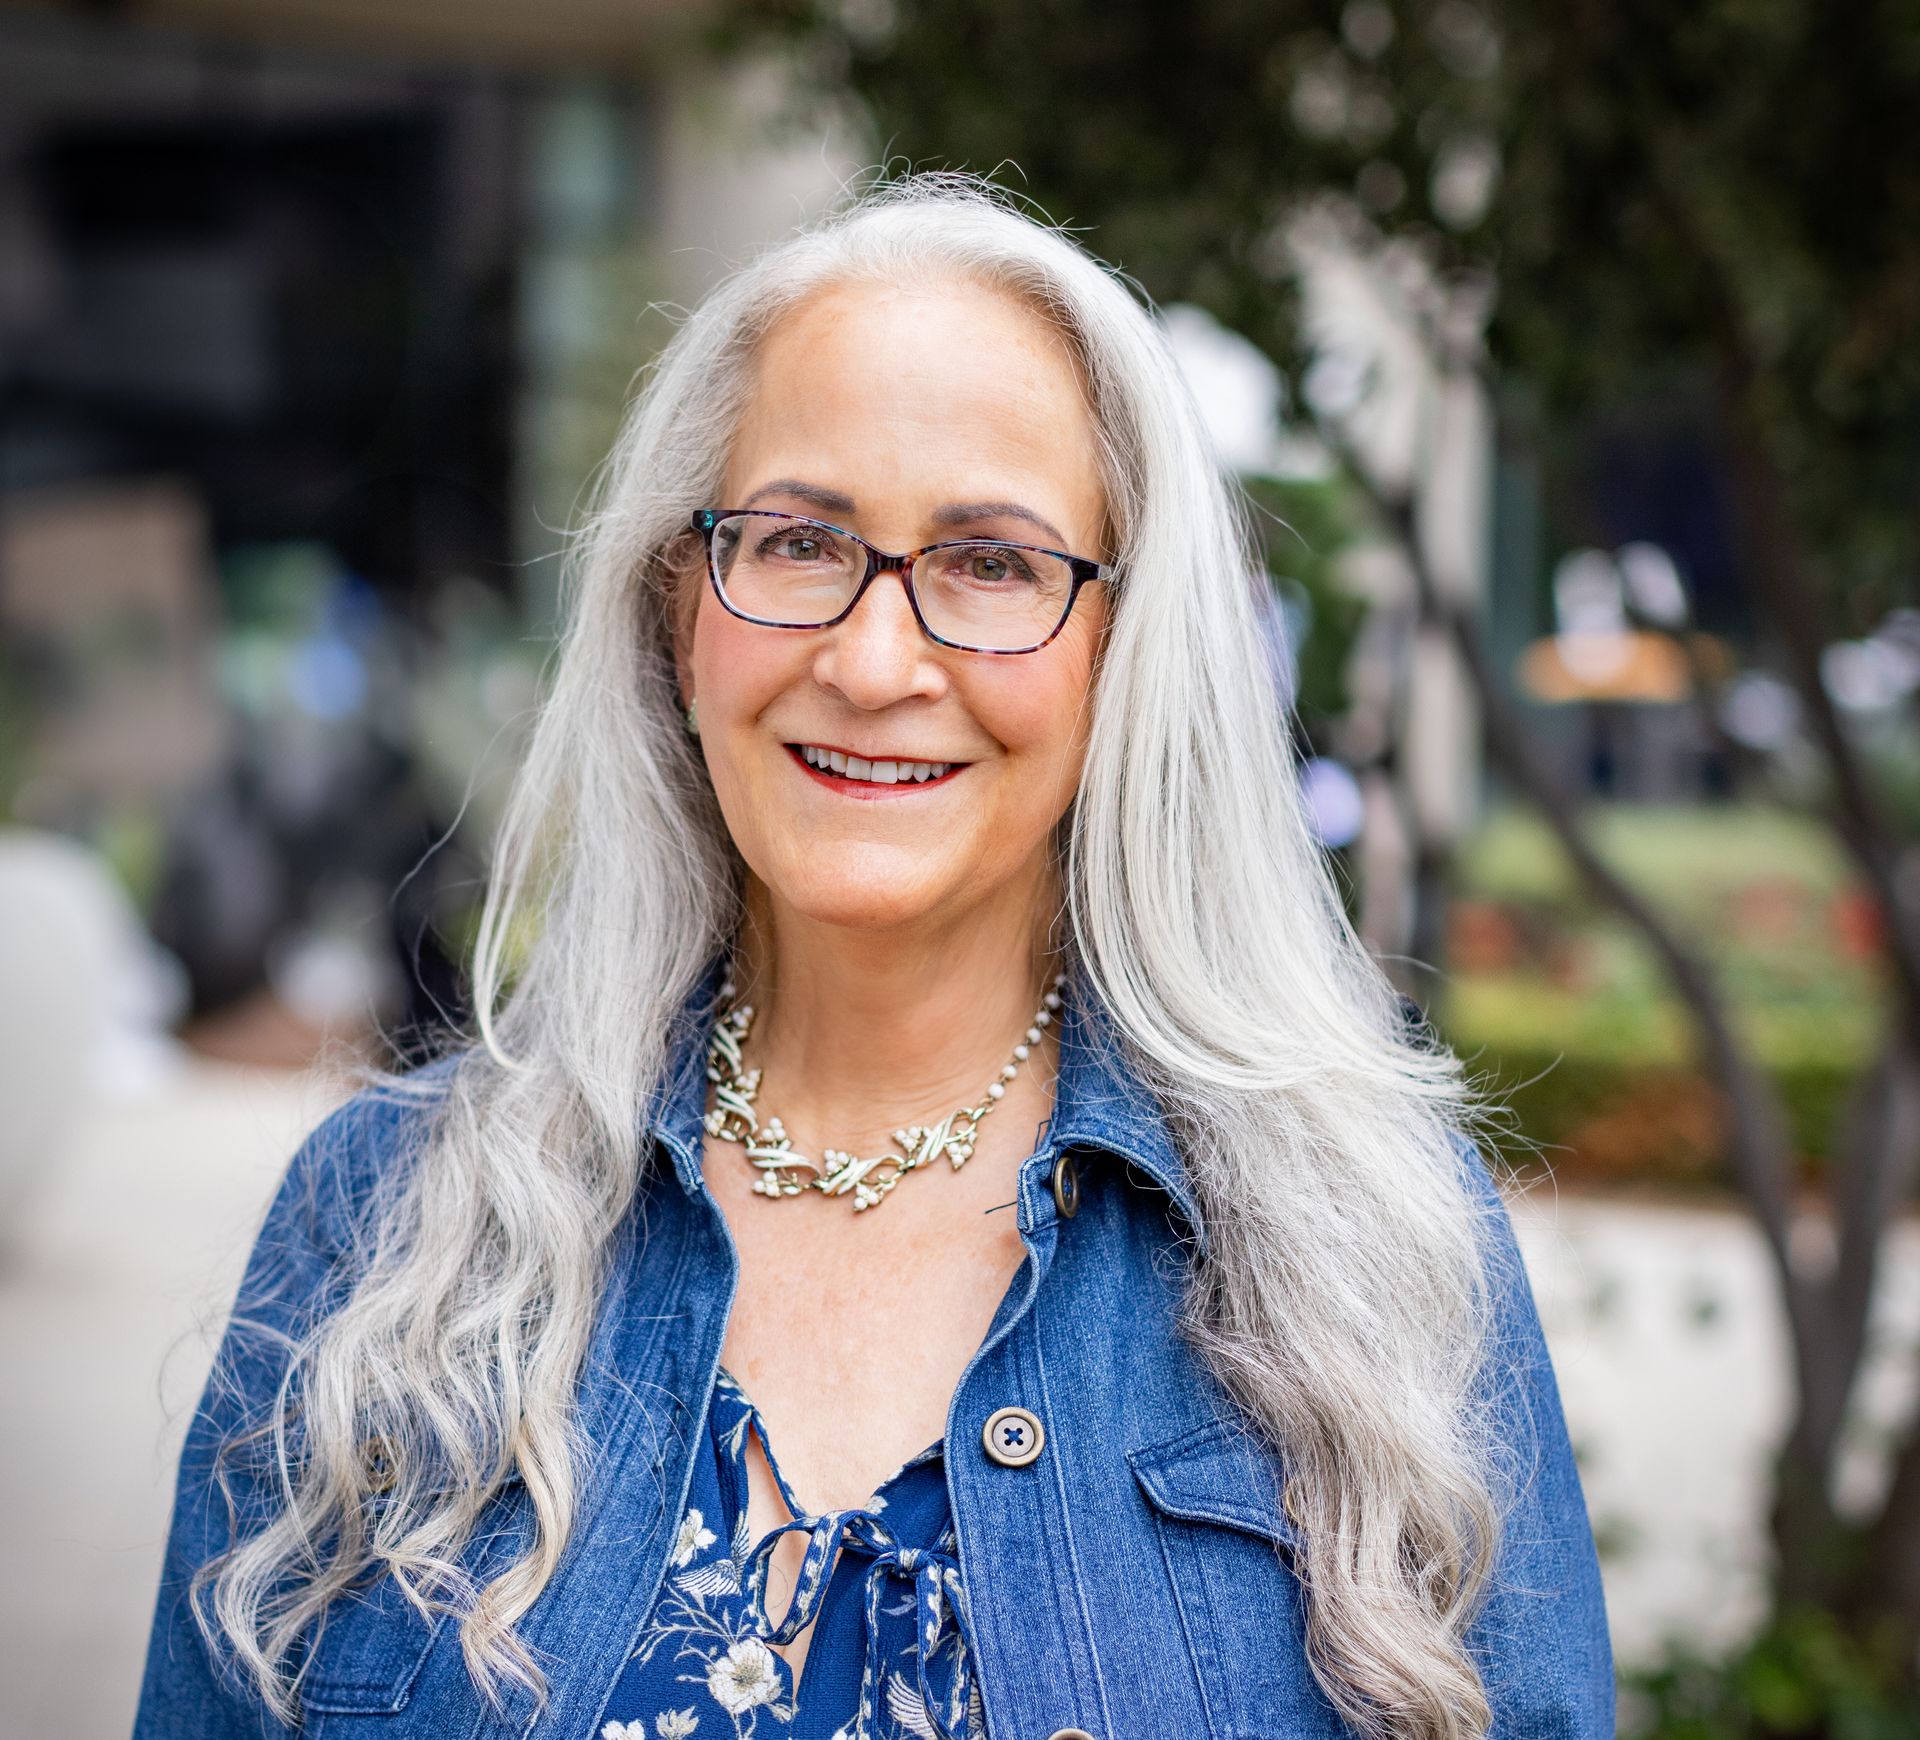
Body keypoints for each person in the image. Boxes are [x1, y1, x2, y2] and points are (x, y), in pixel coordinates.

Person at [132, 174, 1611, 1740]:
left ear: (1123, 652)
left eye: (994, 563)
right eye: (796, 541)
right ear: (680, 611)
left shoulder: (1370, 1252)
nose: (874, 659)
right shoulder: (383, 1230)